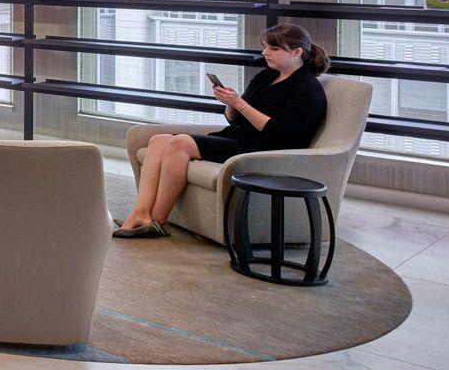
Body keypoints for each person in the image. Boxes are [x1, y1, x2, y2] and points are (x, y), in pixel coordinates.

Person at [115, 23, 331, 239]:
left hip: (266, 149)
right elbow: (234, 119)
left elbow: (281, 133)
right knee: (159, 140)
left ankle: (157, 221)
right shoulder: (266, 76)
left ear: (296, 52)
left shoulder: (308, 88)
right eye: (265, 47)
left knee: (180, 143)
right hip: (240, 137)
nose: (265, 52)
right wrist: (230, 102)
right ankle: (140, 214)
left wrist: (239, 103)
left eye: (273, 49)